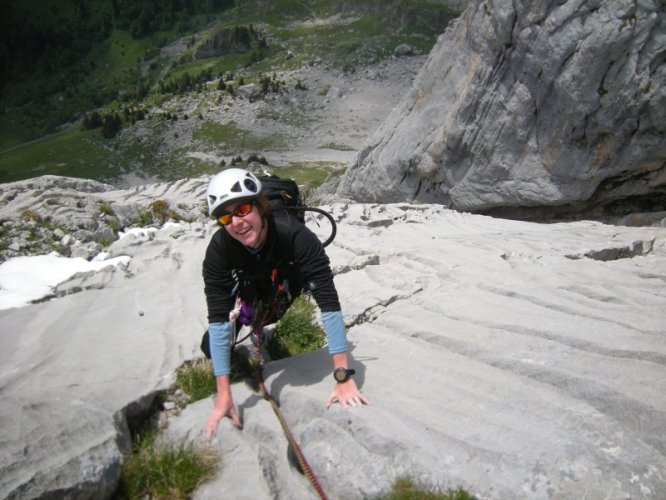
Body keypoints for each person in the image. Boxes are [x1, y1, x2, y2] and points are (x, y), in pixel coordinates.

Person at [202, 168, 369, 439]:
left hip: (286, 278)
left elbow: (327, 300)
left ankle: (263, 323)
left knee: (269, 317)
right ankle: (254, 324)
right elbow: (219, 316)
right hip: (251, 282)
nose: (237, 222)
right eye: (225, 216)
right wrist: (224, 394)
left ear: (260, 206)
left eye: (243, 209)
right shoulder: (219, 249)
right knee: (210, 345)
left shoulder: (295, 235)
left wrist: (342, 375)